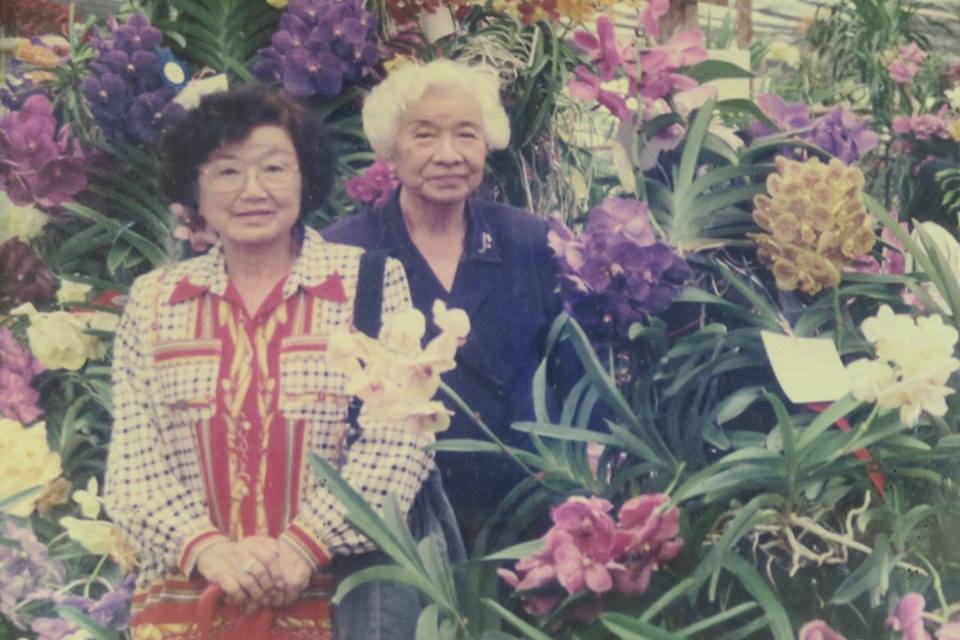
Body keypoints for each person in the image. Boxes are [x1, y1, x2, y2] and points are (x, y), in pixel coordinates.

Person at [103, 85, 437, 639]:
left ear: (305, 179)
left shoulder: (368, 284)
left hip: (335, 607)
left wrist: (303, 546)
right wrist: (209, 551)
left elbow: (399, 443)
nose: (252, 190)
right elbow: (133, 466)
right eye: (227, 172)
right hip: (191, 607)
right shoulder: (155, 300)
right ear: (195, 189)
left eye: (274, 168)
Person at [324, 59, 567, 532]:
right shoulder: (345, 251)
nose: (449, 155)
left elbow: (575, 368)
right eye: (425, 135)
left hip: (530, 503)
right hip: (399, 511)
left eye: (466, 134)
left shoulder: (530, 240)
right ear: (390, 151)